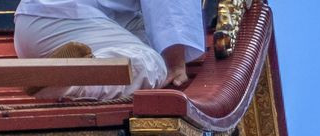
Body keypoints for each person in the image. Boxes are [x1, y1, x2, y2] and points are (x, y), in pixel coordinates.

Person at [12, 0, 204, 90]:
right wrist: (175, 63)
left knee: (152, 42)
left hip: (33, 21)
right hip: (66, 20)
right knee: (153, 65)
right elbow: (171, 8)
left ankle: (67, 68)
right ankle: (61, 81)